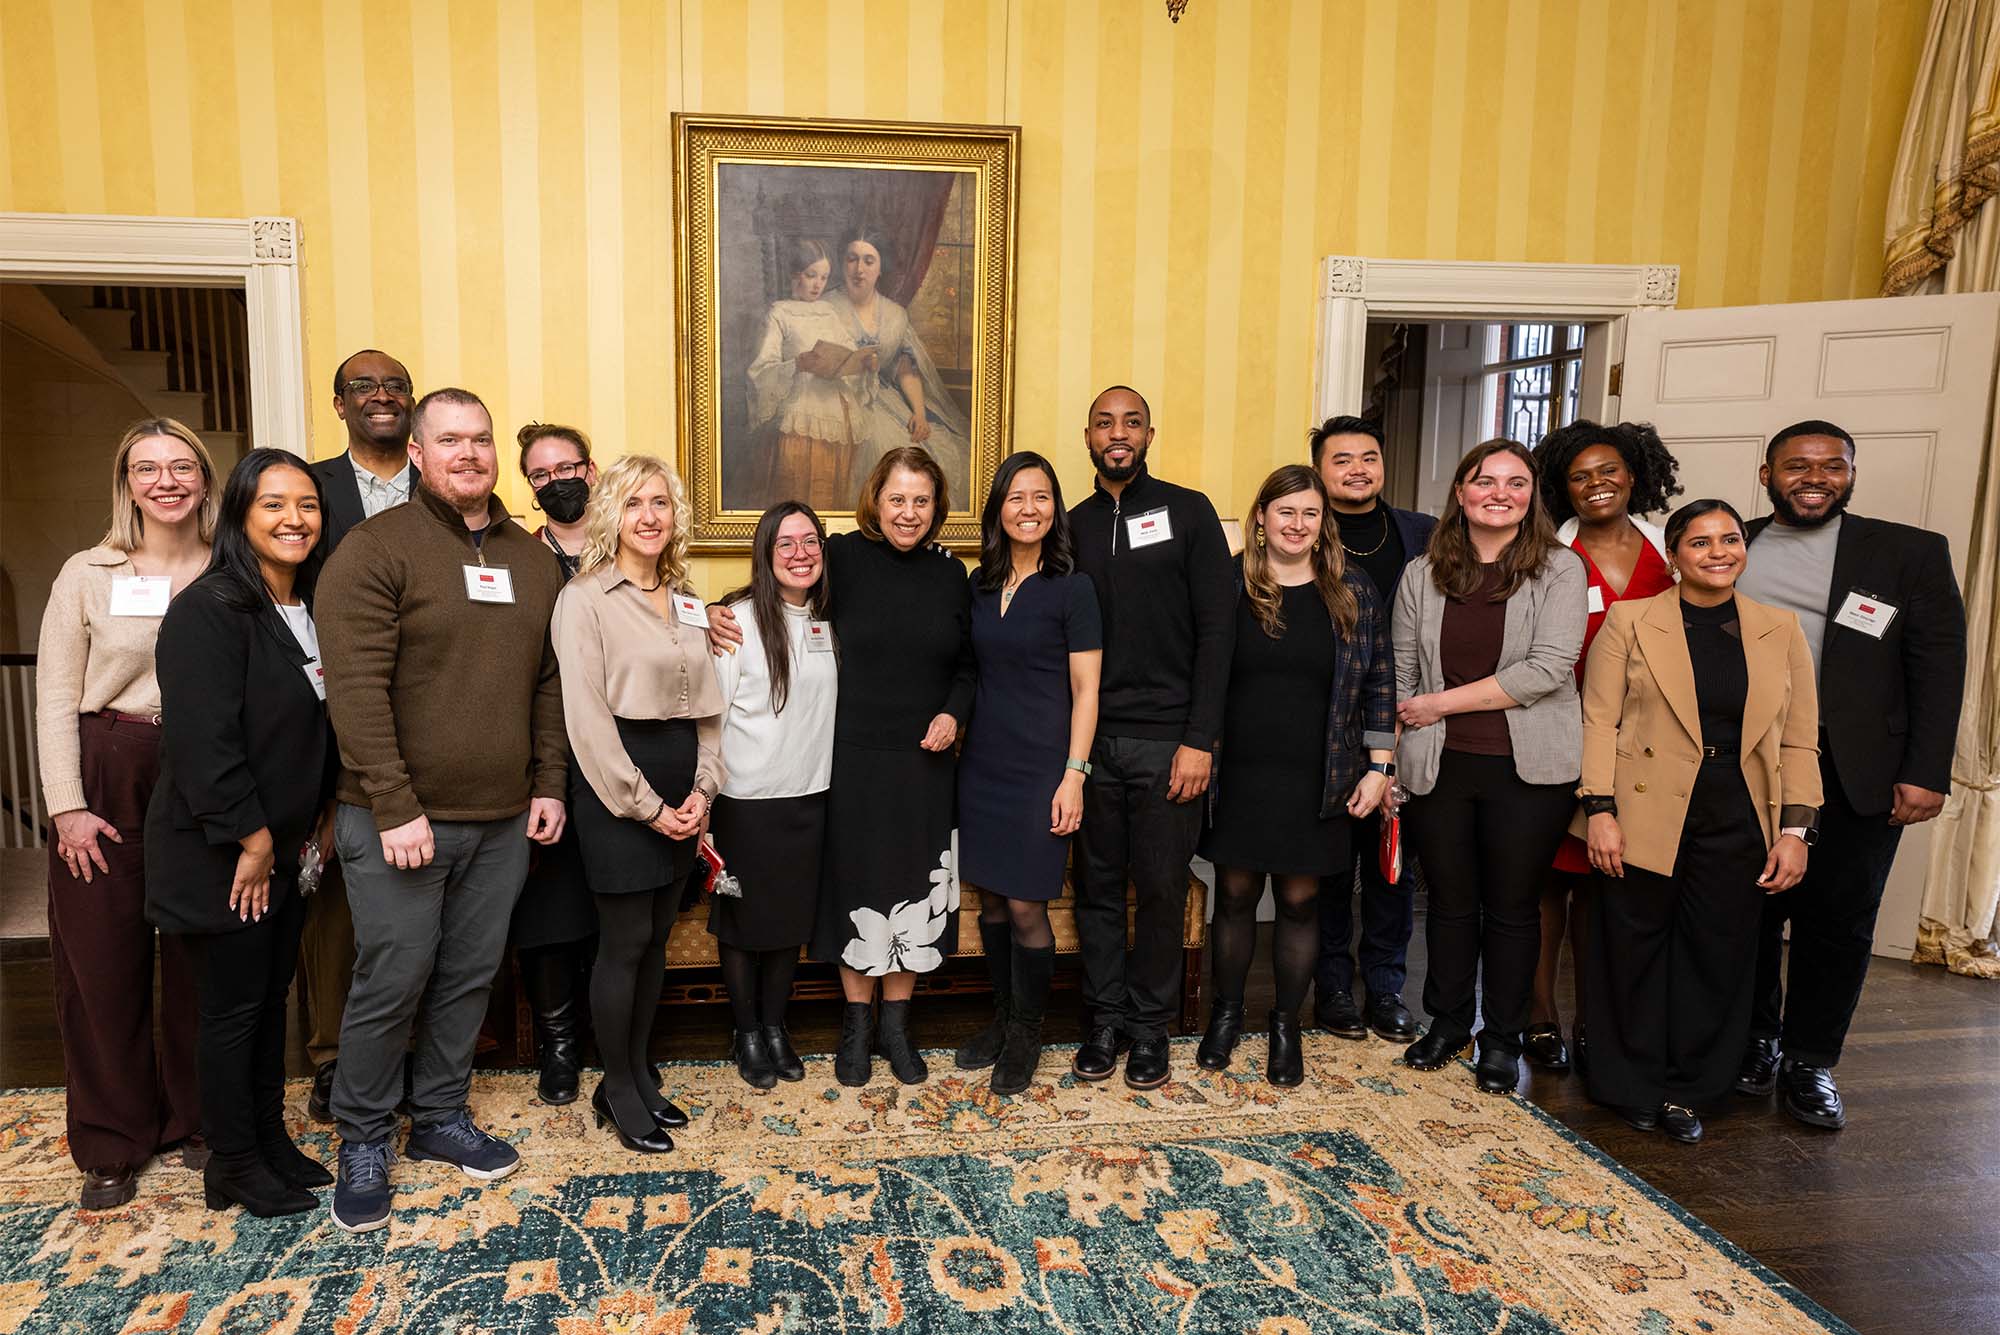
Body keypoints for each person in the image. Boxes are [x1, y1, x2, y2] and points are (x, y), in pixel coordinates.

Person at [317, 388, 568, 1232]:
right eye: (450, 439)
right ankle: (361, 1135)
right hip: (398, 818)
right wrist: (394, 804)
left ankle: (439, 1117)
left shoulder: (531, 561)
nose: (470, 453)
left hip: (501, 820)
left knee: (468, 977)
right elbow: (352, 689)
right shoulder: (374, 548)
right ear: (418, 453)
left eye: (482, 439)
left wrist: (548, 784)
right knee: (392, 979)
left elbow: (546, 683)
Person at [1735, 420, 1967, 1129]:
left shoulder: (1908, 552)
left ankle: (1810, 1061)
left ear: (1851, 474)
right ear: (1767, 472)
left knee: (1837, 919)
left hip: (1856, 763)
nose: (1815, 477)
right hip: (1752, 760)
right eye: (1798, 465)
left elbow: (1939, 666)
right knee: (1747, 910)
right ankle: (1755, 1042)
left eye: (1832, 465)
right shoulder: (1729, 542)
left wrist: (1926, 770)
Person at [1580, 499, 1820, 1143]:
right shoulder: (1631, 620)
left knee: (1717, 954)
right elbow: (1599, 720)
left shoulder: (1780, 628)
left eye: (1730, 539)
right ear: (1675, 555)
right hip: (1641, 806)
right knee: (1631, 950)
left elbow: (1798, 742)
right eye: (1700, 542)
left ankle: (1691, 1089)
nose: (1718, 552)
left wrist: (1797, 831)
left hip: (1738, 811)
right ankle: (1628, 1085)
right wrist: (1599, 810)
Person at [145, 449, 338, 1215]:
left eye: (308, 506)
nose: (295, 519)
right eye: (274, 505)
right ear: (240, 516)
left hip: (283, 851)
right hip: (222, 854)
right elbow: (204, 743)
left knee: (268, 1002)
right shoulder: (210, 607)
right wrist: (254, 840)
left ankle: (266, 1138)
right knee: (231, 1010)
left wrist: (306, 827)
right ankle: (230, 1161)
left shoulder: (306, 604)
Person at [35, 417, 217, 1209]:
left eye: (182, 466)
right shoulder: (87, 571)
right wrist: (67, 806)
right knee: (102, 962)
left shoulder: (232, 566)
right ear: (127, 482)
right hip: (107, 764)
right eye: (148, 468)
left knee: (198, 957)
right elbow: (52, 695)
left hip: (203, 770)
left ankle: (198, 1119)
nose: (167, 480)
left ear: (206, 479)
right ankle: (111, 1139)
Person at [1391, 439, 1586, 1095]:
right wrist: (1394, 751)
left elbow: (1548, 669)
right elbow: (1401, 671)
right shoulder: (1423, 572)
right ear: (1461, 491)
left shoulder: (1560, 569)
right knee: (1447, 905)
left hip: (1526, 769)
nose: (1499, 492)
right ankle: (1448, 1024)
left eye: (1516, 482)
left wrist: (1440, 702)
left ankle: (1502, 1039)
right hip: (1439, 764)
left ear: (1533, 495)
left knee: (1510, 908)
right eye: (1485, 480)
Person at [1197, 465, 1394, 1086]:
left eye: (1310, 513)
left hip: (1321, 775)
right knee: (1232, 898)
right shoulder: (1228, 584)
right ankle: (1225, 1017)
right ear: (1261, 519)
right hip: (1241, 773)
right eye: (1284, 512)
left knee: (1300, 904)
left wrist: (1381, 767)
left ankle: (1287, 1026)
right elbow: (1200, 675)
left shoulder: (1352, 589)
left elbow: (1381, 684)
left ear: (1322, 522)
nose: (1297, 524)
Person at [552, 454, 723, 1148]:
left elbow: (710, 708)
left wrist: (705, 789)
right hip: (618, 789)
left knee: (656, 941)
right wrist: (648, 805)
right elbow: (586, 720)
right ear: (611, 515)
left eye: (660, 502)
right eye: (633, 503)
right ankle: (617, 1088)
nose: (649, 516)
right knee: (623, 944)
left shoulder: (686, 596)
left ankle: (637, 1071)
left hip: (686, 786)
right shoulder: (585, 598)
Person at [1068, 386, 1235, 1090]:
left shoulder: (1188, 511)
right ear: (1087, 436)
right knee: (1098, 890)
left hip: (1170, 742)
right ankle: (1103, 1020)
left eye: (1131, 422)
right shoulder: (1068, 524)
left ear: (1149, 434)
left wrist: (1201, 738)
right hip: (1090, 742)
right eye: (1105, 422)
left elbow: (1219, 630)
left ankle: (1149, 1029)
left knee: (1163, 890)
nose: (1118, 432)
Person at [1525, 420, 1681, 1073]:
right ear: (1562, 488)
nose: (1597, 485)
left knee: (1602, 887)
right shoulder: (1543, 554)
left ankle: (1594, 1021)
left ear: (1635, 475)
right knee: (1543, 886)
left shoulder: (1670, 552)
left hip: (1642, 748)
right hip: (1556, 738)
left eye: (1609, 471)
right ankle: (1539, 1018)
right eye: (1580, 476)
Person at [956, 452, 1102, 1096]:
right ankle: (999, 1018)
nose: (1029, 509)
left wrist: (1074, 775)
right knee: (989, 896)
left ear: (1055, 508)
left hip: (1044, 764)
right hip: (983, 761)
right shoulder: (979, 584)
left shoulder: (1074, 588)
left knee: (1024, 904)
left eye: (1041, 497)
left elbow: (1087, 690)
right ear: (998, 510)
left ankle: (1027, 1034)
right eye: (1016, 497)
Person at [300, 349, 419, 1124]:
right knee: (337, 895)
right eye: (364, 386)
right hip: (330, 715)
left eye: (395, 385)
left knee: (419, 893)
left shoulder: (445, 487)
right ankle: (331, 1055)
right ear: (340, 404)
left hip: (432, 718)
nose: (381, 395)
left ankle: (413, 1052)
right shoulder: (310, 492)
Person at [1310, 415, 1436, 1043]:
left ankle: (1385, 987)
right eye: (1342, 459)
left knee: (1392, 865)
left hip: (1406, 721)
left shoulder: (1423, 534)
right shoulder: (1302, 528)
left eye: (1368, 457)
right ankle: (1331, 987)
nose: (1357, 469)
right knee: (1331, 864)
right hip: (1326, 727)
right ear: (1320, 470)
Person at [707, 503, 838, 1089]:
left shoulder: (832, 620)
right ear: (765, 553)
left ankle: (776, 1026)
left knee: (788, 924)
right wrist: (704, 805)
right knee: (742, 926)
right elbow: (708, 722)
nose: (800, 553)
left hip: (809, 797)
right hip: (744, 801)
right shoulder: (735, 622)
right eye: (784, 543)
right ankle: (747, 1032)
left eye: (809, 541)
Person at [509, 422, 602, 1105]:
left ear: (592, 471)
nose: (557, 481)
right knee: (548, 907)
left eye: (567, 467)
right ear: (530, 486)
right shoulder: (515, 556)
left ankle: (611, 1035)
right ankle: (560, 1046)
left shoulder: (631, 545)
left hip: (620, 754)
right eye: (542, 475)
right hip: (543, 753)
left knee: (613, 898)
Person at [823, 229, 973, 503]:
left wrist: (919, 413)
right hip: (833, 399)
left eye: (869, 261)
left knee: (940, 453)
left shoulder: (894, 314)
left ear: (880, 269)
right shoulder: (825, 306)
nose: (859, 269)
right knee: (877, 449)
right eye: (852, 259)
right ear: (842, 263)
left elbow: (905, 368)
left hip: (881, 399)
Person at [746, 239, 871, 509]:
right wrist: (796, 364)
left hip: (839, 417)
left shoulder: (828, 312)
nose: (818, 284)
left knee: (835, 496)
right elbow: (761, 370)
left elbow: (847, 353)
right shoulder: (779, 313)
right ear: (795, 275)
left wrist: (862, 363)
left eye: (824, 277)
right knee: (800, 492)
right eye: (811, 275)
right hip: (800, 418)